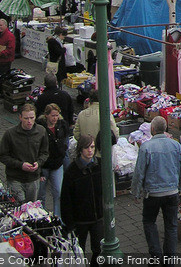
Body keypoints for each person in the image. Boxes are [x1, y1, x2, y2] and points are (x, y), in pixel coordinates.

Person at [131, 116, 181, 258]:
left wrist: (136, 193)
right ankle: (170, 259)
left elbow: (139, 172)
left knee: (149, 222)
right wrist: (180, 187)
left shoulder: (146, 147)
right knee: (171, 226)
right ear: (165, 128)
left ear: (152, 129)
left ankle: (156, 255)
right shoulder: (176, 146)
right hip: (172, 192)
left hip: (153, 194)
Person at [60, 135, 103, 264]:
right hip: (80, 221)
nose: (90, 150)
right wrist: (69, 224)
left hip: (98, 218)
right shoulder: (71, 172)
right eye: (86, 147)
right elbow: (66, 200)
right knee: (79, 251)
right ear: (80, 149)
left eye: (92, 147)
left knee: (98, 250)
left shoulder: (100, 165)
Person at [0, 103, 49, 202]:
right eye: (26, 118)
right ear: (20, 117)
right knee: (18, 207)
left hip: (33, 178)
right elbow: (2, 156)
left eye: (32, 118)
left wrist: (39, 163)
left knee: (30, 208)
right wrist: (20, 165)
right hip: (15, 178)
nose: (29, 121)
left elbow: (45, 152)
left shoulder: (41, 131)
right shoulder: (10, 134)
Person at [37, 103, 69, 216]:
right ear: (46, 115)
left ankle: (57, 218)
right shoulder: (40, 128)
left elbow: (65, 141)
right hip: (44, 166)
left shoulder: (62, 125)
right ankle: (41, 216)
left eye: (57, 115)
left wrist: (63, 151)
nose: (55, 118)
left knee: (58, 193)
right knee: (41, 195)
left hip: (57, 164)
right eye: (52, 115)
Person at [73, 89, 119, 157]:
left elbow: (76, 134)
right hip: (102, 155)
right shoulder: (106, 114)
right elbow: (115, 134)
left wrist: (86, 145)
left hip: (85, 155)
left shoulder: (82, 114)